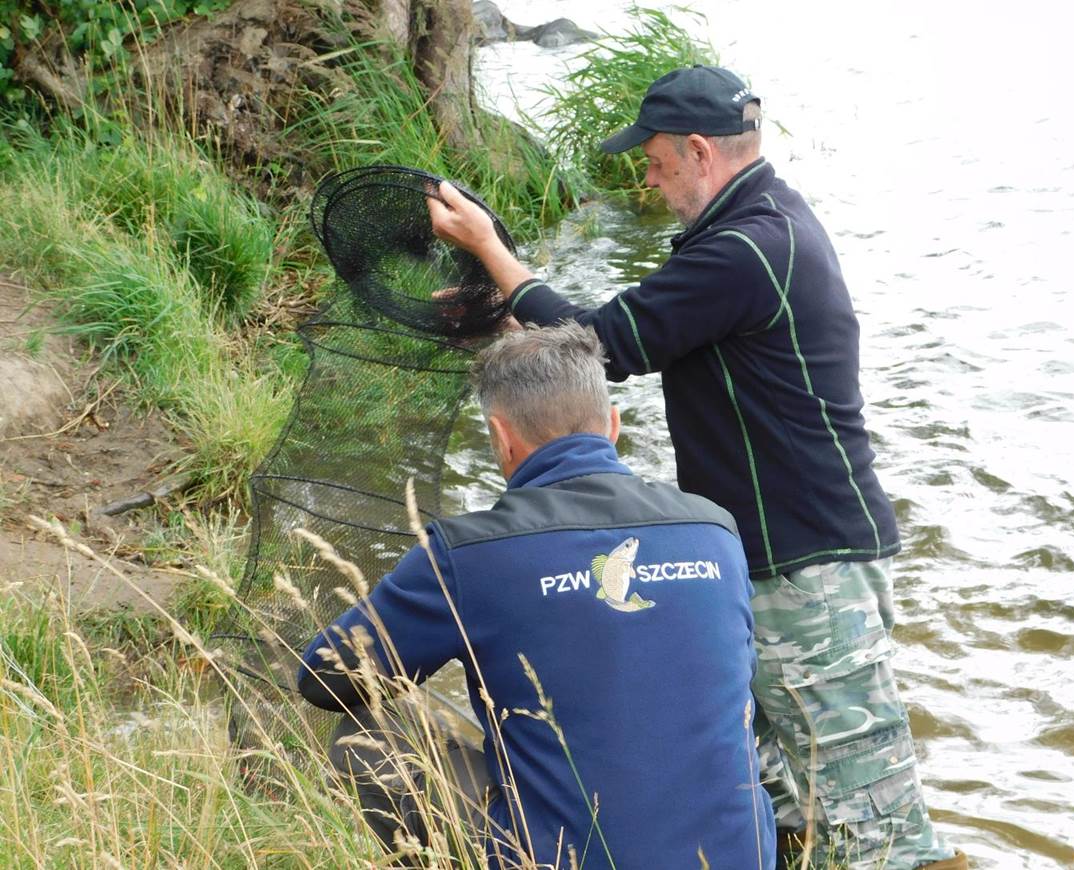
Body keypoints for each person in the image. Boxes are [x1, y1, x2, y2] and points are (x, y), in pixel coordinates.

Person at [426, 66, 966, 870]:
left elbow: (603, 344)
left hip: (809, 568)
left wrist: (492, 254)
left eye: (654, 159)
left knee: (873, 827)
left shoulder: (750, 247)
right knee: (774, 802)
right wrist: (509, 305)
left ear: (700, 152)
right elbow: (633, 330)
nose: (646, 175)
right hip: (765, 562)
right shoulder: (752, 229)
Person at [298, 322, 777, 868]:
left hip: (558, 859)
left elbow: (324, 678)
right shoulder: (716, 529)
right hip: (738, 857)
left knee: (371, 732)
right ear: (613, 426)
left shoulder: (469, 551)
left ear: (501, 439)